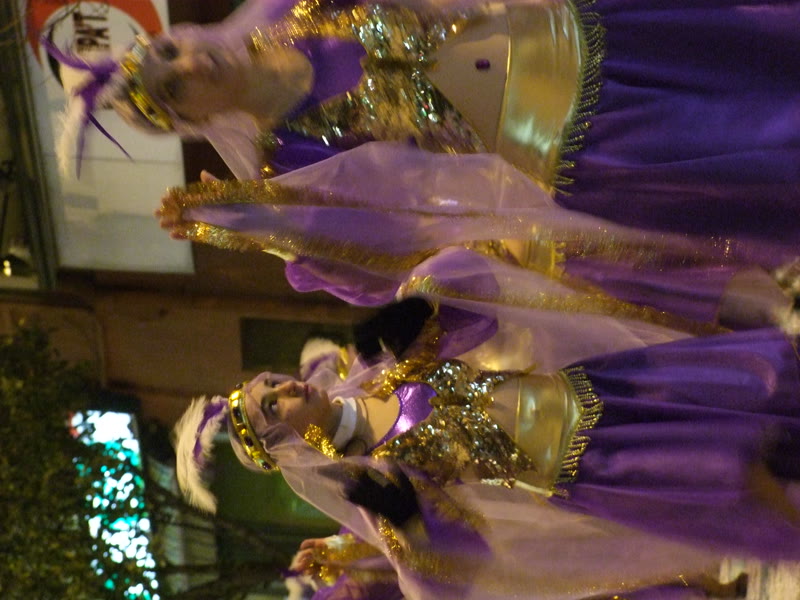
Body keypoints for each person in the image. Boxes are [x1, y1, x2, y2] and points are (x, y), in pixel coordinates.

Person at [173, 279, 800, 599]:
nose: (286, 387)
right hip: (588, 464)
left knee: (749, 395)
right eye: (273, 406)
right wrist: (412, 529)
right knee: (734, 470)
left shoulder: (377, 368)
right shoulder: (373, 478)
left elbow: (479, 305)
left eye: (271, 382)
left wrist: (425, 304)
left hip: (594, 389)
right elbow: (447, 575)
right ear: (286, 447)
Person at [52, 0, 800, 255]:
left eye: (168, 52)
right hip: (577, 141)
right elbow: (378, 245)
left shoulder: (285, 9)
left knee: (755, 48)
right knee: (760, 143)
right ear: (190, 120)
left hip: (576, 38)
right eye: (174, 89)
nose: (189, 64)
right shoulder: (288, 161)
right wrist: (251, 223)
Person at [157, 143, 799, 334]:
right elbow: (403, 284)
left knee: (650, 237)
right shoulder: (311, 267)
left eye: (239, 205)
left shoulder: (321, 174)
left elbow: (416, 171)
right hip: (517, 271)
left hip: (518, 203)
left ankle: (770, 259)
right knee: (645, 292)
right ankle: (765, 310)